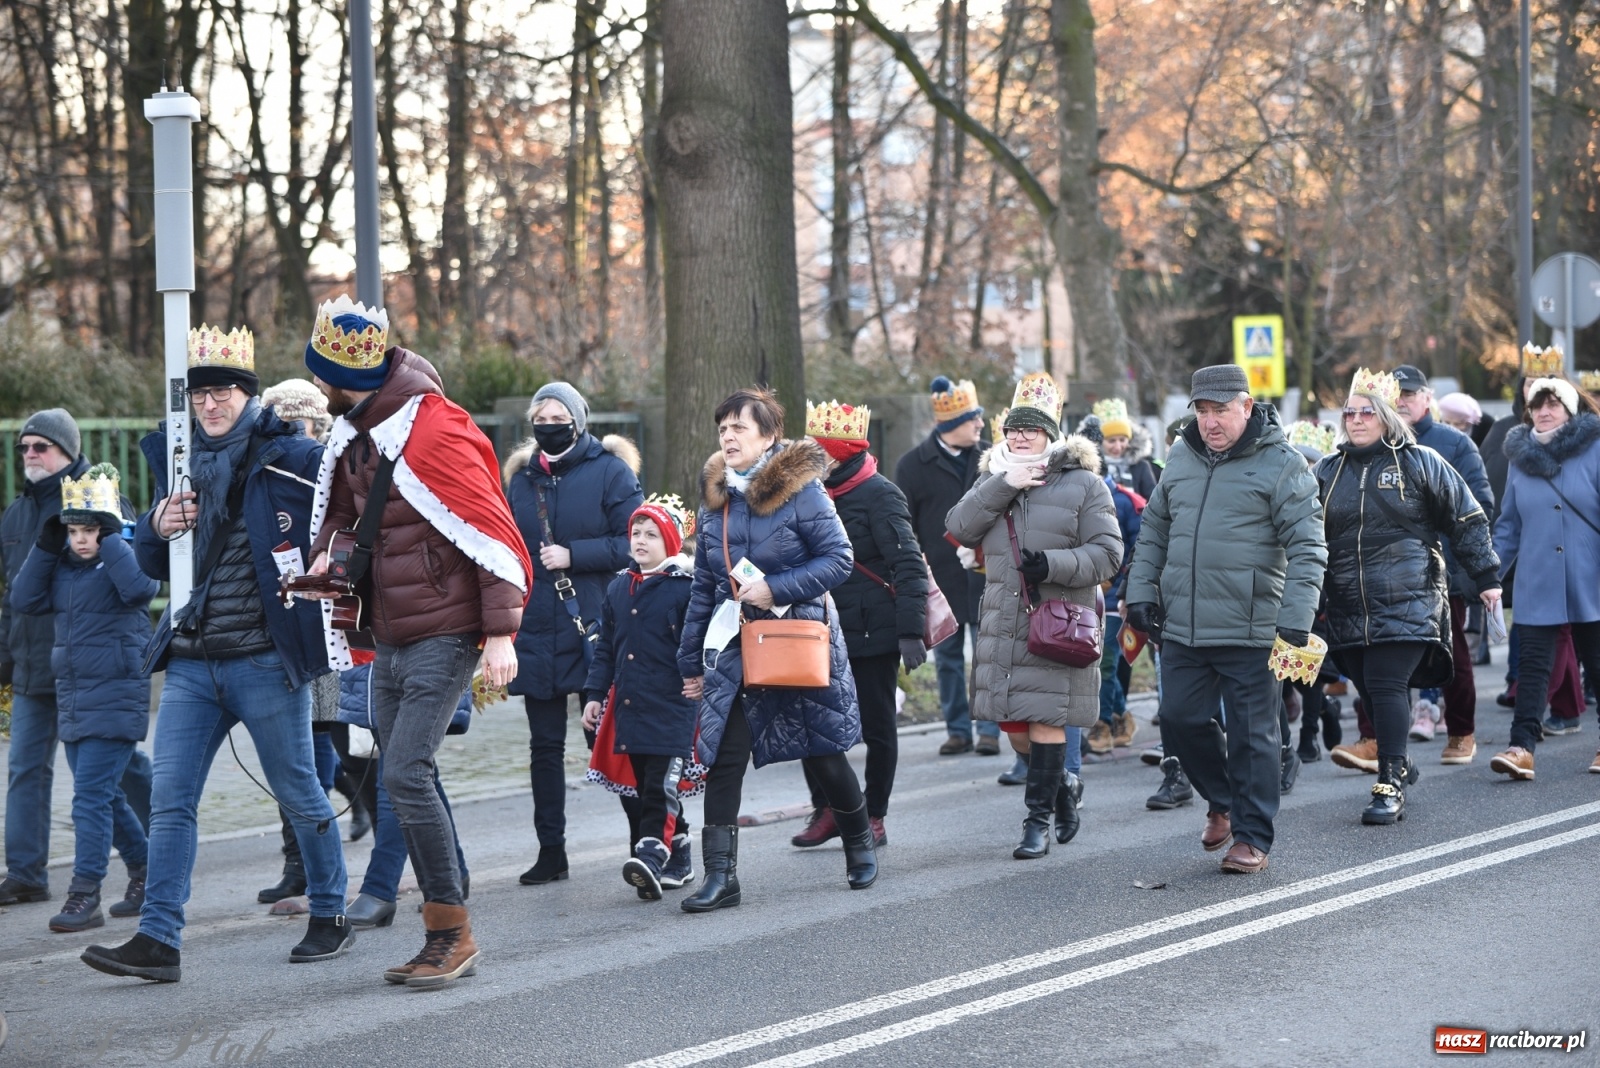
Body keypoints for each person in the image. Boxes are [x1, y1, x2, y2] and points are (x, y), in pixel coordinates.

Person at [82, 325, 348, 984]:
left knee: (300, 794)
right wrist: (153, 526)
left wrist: (325, 605)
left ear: (248, 395)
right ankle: (159, 939)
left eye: (225, 390)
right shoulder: (175, 460)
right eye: (201, 393)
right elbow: (148, 566)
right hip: (193, 663)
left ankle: (332, 913)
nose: (211, 403)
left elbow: (338, 534)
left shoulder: (293, 457)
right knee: (171, 801)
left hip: (263, 660)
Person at [303, 296, 530, 989]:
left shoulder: (436, 428)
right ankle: (444, 922)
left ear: (350, 380)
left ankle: (451, 932)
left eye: (323, 379)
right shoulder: (359, 429)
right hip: (390, 628)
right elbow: (341, 513)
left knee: (405, 772)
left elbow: (492, 534)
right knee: (403, 779)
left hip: (448, 629)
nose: (317, 389)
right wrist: (323, 559)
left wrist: (499, 634)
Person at [677, 386, 876, 911]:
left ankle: (859, 843)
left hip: (793, 640)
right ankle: (721, 877)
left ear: (768, 437)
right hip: (736, 644)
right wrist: (689, 659)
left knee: (824, 753)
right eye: (723, 427)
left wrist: (776, 588)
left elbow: (839, 560)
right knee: (722, 756)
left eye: (739, 427)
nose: (728, 435)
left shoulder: (802, 491)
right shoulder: (716, 497)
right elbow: (703, 585)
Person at [1124, 365, 1327, 875]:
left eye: (1221, 410)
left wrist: (1296, 621)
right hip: (1184, 622)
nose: (1211, 422)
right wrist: (1141, 594)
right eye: (1203, 411)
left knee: (1253, 734)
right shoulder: (1181, 455)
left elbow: (1308, 546)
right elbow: (1154, 531)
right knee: (1179, 719)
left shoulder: (1283, 463)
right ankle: (1222, 802)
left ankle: (1252, 836)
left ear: (1246, 405)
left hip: (1253, 624)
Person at [946, 374, 1122, 858]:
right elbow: (959, 527)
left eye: (1032, 429)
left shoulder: (1084, 483)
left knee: (1045, 719)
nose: (1020, 437)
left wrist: (1054, 565)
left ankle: (1035, 821)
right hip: (1003, 620)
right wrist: (1003, 484)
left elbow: (1108, 554)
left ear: (1051, 432)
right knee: (1015, 729)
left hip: (1057, 618)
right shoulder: (994, 479)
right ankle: (1063, 787)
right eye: (1013, 429)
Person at [1314, 370, 1501, 823]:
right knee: (1368, 692)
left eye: (1366, 412)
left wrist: (1486, 575)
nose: (1356, 420)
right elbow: (1304, 535)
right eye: (1349, 412)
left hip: (1408, 595)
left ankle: (1389, 782)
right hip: (1345, 603)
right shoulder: (1326, 470)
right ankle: (1400, 759)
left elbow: (1466, 518)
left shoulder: (1422, 463)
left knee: (1386, 682)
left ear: (1384, 416)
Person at [1, 408, 152, 910]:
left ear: (66, 450)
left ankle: (123, 869)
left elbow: (136, 581)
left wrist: (106, 531)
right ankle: (25, 873)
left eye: (39, 447)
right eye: (24, 448)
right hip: (43, 669)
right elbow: (15, 596)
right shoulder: (19, 514)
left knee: (106, 783)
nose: (29, 456)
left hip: (104, 677)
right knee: (30, 769)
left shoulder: (103, 498)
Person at [504, 382, 644, 886]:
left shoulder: (610, 471)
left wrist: (573, 555)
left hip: (593, 625)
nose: (548, 421)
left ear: (579, 420)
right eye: (539, 413)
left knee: (607, 737)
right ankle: (551, 851)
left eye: (558, 412)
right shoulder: (520, 480)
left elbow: (636, 543)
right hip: (537, 627)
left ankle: (647, 841)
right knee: (543, 746)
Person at [790, 402, 926, 850]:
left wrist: (910, 630)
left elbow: (907, 564)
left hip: (873, 631)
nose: (810, 458)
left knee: (877, 727)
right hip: (819, 627)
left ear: (837, 454)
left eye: (818, 451)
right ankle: (829, 808)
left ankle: (874, 814)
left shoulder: (880, 494)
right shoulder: (807, 494)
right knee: (815, 723)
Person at [581, 494, 699, 899]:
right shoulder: (618, 587)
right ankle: (679, 853)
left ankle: (649, 856)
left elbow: (700, 643)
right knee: (645, 782)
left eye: (652, 534)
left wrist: (700, 677)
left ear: (671, 543)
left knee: (659, 787)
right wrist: (595, 694)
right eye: (636, 532)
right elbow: (607, 648)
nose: (641, 540)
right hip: (631, 704)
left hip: (673, 706)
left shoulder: (686, 589)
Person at [1380, 365, 1495, 765]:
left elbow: (1479, 507)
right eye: (1394, 394)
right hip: (1385, 573)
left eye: (1409, 394)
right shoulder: (1376, 442)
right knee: (1376, 657)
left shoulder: (1454, 444)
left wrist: (1465, 568)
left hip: (1440, 572)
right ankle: (1371, 739)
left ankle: (1462, 732)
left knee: (1453, 656)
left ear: (1427, 398)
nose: (1401, 401)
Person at [1490, 374, 1600, 780]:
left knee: (1598, 664)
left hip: (1592, 580)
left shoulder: (1595, 451)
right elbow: (1507, 528)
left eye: (1553, 404)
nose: (1544, 411)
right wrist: (1488, 576)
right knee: (1532, 668)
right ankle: (1521, 748)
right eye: (1537, 405)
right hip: (1537, 582)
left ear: (1570, 413)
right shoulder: (1520, 463)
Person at [894, 376, 997, 757]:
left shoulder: (993, 458)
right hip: (940, 578)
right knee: (949, 659)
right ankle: (958, 729)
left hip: (989, 575)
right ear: (953, 423)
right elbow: (904, 523)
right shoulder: (912, 466)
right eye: (974, 419)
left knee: (988, 656)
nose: (981, 425)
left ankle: (989, 730)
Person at [1095, 397, 1158, 500]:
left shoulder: (1141, 467)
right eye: (1111, 441)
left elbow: (1154, 501)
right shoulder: (1093, 467)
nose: (1118, 446)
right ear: (1100, 442)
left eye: (1122, 440)